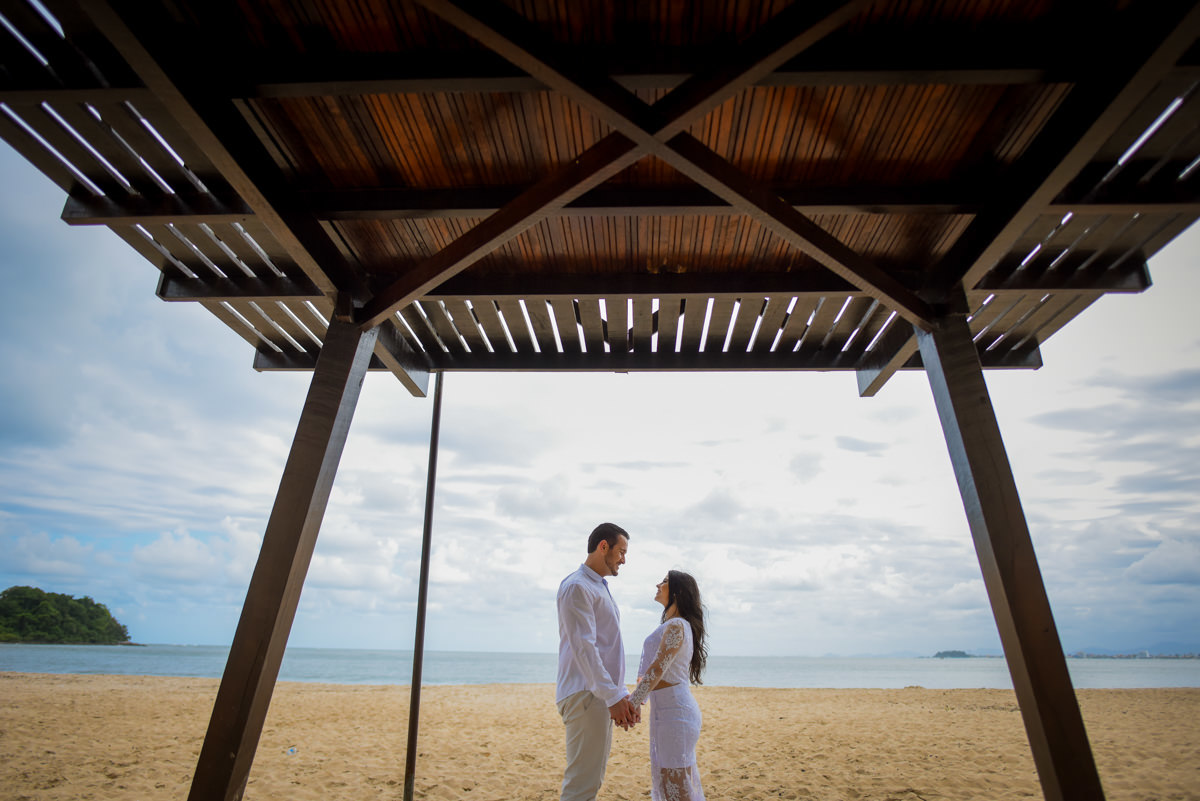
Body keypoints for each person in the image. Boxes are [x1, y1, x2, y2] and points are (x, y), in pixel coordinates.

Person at [556, 523, 639, 801]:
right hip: (586, 695)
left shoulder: (597, 586)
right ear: (603, 546)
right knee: (581, 786)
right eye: (621, 552)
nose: (623, 560)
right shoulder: (578, 586)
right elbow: (585, 649)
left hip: (597, 695)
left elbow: (604, 648)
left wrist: (619, 694)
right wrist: (613, 697)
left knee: (590, 782)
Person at [629, 570, 708, 801]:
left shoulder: (677, 626)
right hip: (666, 714)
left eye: (664, 581)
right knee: (669, 783)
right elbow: (651, 672)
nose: (658, 584)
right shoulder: (674, 625)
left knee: (677, 787)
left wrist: (634, 702)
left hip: (676, 715)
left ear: (678, 591)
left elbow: (657, 668)